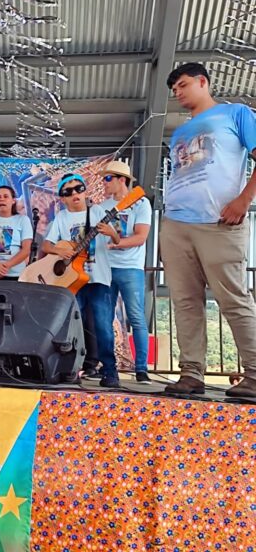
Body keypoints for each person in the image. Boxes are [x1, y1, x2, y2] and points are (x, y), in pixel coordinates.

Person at [161, 63, 256, 397]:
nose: (178, 92)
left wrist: (244, 200)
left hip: (220, 222)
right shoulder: (179, 134)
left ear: (203, 81)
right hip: (176, 223)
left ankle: (255, 373)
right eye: (174, 89)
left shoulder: (236, 114)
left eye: (183, 84)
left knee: (233, 298)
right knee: (184, 301)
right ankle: (191, 374)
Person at [42, 173, 121, 387]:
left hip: (98, 278)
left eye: (79, 189)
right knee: (71, 327)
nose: (75, 194)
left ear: (85, 192)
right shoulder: (61, 218)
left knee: (103, 326)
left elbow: (117, 240)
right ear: (62, 198)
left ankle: (110, 371)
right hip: (72, 281)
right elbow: (46, 246)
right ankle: (71, 369)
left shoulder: (98, 212)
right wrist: (60, 250)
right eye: (68, 192)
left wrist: (111, 233)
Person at [100, 160, 152, 384]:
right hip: (106, 268)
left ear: (122, 180)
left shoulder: (141, 203)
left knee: (136, 317)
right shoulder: (103, 206)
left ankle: (141, 368)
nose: (104, 182)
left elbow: (141, 237)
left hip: (131, 268)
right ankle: (108, 368)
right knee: (105, 319)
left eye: (108, 178)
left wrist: (116, 242)